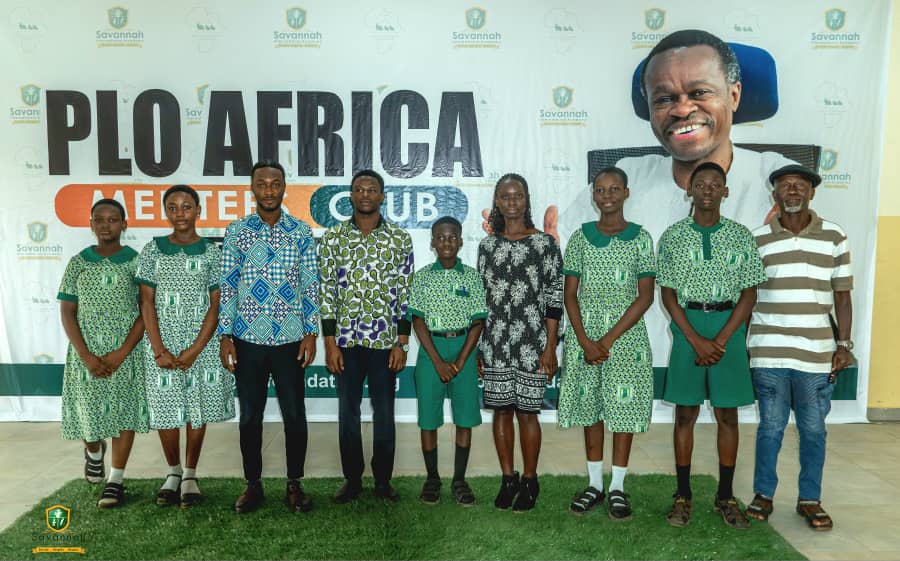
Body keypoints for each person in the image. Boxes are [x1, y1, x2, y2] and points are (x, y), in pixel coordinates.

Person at [550, 29, 799, 371]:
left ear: (734, 95)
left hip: (738, 376)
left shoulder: (778, 181)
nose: (682, 109)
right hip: (629, 373)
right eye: (664, 99)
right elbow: (562, 267)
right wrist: (541, 256)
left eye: (699, 92)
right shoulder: (624, 178)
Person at [656, 162, 767, 529]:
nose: (707, 189)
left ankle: (725, 496)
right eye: (700, 183)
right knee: (684, 414)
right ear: (689, 190)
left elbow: (749, 293)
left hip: (728, 328)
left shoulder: (740, 235)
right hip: (688, 326)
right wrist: (694, 339)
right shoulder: (673, 236)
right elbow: (668, 294)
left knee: (727, 416)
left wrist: (720, 340)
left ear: (725, 191)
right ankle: (683, 495)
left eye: (715, 184)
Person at [744, 165, 853, 531]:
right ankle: (763, 494)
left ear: (811, 193)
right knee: (770, 428)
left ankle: (810, 499)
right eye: (785, 186)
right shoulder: (758, 239)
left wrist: (843, 345)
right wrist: (744, 346)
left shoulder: (834, 235)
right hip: (769, 350)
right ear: (774, 194)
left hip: (816, 353)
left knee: (814, 431)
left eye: (800, 185)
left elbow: (843, 296)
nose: (792, 191)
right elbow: (748, 298)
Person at [218, 160, 320, 514]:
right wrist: (225, 335)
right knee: (250, 416)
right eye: (261, 184)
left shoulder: (300, 232)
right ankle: (253, 484)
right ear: (252, 189)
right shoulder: (237, 231)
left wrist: (311, 332)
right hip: (247, 338)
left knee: (294, 414)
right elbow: (228, 285)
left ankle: (294, 483)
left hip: (291, 338)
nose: (268, 190)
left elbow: (310, 285)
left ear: (284, 188)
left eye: (275, 184)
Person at [558, 167, 655, 521]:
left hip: (626, 338)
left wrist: (607, 340)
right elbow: (570, 294)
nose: (607, 195)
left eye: (614, 189)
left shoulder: (641, 238)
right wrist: (586, 341)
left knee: (623, 411)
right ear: (593, 196)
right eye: (600, 190)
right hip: (585, 335)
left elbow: (645, 296)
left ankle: (617, 486)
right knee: (591, 409)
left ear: (626, 193)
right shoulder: (580, 238)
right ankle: (595, 484)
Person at [137, 185, 235, 508]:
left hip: (200, 343)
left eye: (186, 206)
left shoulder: (212, 253)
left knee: (196, 407)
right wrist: (158, 348)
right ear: (165, 212)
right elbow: (146, 302)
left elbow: (216, 304)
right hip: (161, 344)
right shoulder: (152, 251)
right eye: (173, 207)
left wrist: (195, 349)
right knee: (166, 408)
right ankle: (173, 472)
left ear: (198, 210)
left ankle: (191, 473)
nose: (180, 213)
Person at [319, 169, 414, 502]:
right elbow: (327, 293)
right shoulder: (333, 238)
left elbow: (405, 294)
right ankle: (353, 479)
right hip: (345, 342)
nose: (365, 194)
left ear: (382, 196)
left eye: (372, 189)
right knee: (348, 413)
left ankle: (383, 481)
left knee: (384, 413)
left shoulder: (399, 239)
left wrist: (402, 343)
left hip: (384, 342)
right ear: (351, 196)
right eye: (359, 189)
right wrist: (329, 344)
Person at [477, 173, 563, 512]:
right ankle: (507, 478)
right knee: (501, 410)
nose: (512, 202)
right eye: (506, 196)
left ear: (527, 200)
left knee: (528, 412)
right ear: (497, 202)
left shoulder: (545, 244)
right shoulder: (487, 246)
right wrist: (479, 346)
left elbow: (554, 298)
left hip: (533, 342)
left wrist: (551, 346)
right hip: (495, 342)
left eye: (518, 195)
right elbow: (481, 300)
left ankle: (530, 479)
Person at [57, 198, 149, 508]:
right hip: (86, 351)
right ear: (91, 224)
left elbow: (145, 311)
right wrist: (86, 355)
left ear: (124, 224)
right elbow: (67, 311)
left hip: (125, 351)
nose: (105, 224)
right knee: (88, 412)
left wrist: (122, 352)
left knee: (123, 414)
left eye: (112, 219)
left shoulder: (136, 262)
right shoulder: (78, 262)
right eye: (99, 219)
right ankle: (94, 451)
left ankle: (115, 480)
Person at [407, 216, 487, 506]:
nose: (447, 242)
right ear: (432, 243)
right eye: (441, 237)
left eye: (452, 237)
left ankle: (459, 480)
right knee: (428, 420)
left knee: (464, 419)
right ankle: (432, 479)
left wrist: (461, 361)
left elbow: (478, 321)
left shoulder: (472, 277)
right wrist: (439, 361)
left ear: (461, 241)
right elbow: (417, 320)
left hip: (464, 349)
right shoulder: (423, 277)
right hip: (432, 351)